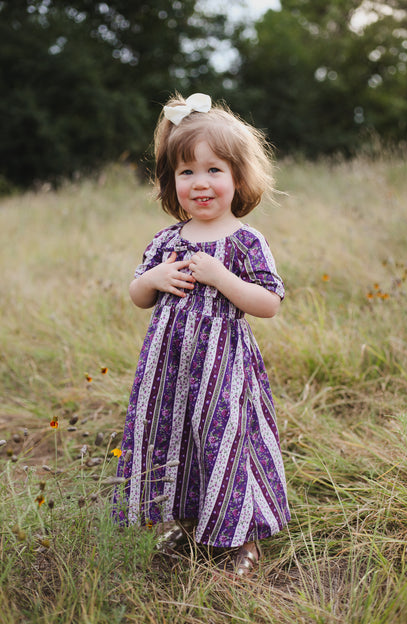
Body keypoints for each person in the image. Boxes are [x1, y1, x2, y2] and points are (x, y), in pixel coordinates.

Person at [113, 92, 290, 577]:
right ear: (171, 181)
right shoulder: (167, 240)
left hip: (225, 370)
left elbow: (269, 303)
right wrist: (151, 281)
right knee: (181, 443)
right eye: (186, 172)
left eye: (214, 170)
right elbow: (138, 294)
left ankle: (245, 538)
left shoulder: (245, 242)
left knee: (229, 443)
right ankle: (190, 522)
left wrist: (221, 277)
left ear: (238, 177)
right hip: (171, 369)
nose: (201, 183)